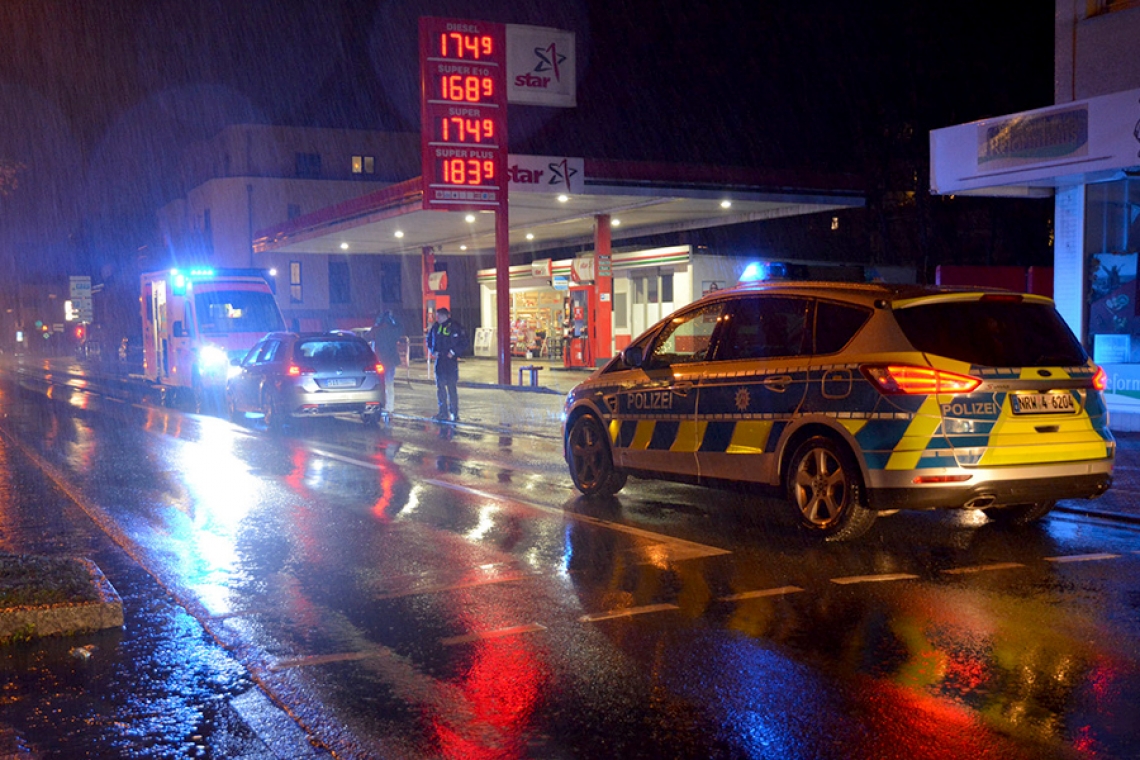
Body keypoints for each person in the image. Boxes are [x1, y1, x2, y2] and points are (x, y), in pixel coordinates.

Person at [426, 307, 465, 422]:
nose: (436, 318)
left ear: (444, 316)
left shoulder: (455, 326)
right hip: (440, 361)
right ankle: (442, 412)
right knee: (440, 387)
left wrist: (453, 352)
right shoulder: (435, 327)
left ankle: (454, 412)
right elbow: (429, 340)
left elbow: (464, 341)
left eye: (438, 316)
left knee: (452, 387)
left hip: (450, 362)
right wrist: (433, 351)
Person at [366, 310, 401, 421]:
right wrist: (394, 319)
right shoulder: (393, 330)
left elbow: (366, 338)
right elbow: (401, 328)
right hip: (391, 361)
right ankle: (390, 407)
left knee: (379, 384)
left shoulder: (376, 330)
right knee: (389, 384)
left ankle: (381, 405)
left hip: (379, 361)